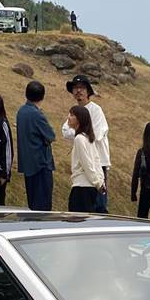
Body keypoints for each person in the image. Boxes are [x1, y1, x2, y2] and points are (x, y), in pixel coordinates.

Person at [61, 74, 110, 211]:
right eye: (75, 88)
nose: (78, 91)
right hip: (83, 169)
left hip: (98, 163)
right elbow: (65, 131)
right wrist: (81, 132)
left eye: (82, 88)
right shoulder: (76, 112)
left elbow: (96, 135)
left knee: (99, 205)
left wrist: (79, 132)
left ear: (88, 91)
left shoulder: (96, 110)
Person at [16, 80, 56, 210]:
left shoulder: (21, 111)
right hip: (40, 164)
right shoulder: (37, 114)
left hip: (28, 164)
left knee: (32, 203)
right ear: (42, 97)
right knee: (43, 206)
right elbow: (50, 135)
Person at [66, 104, 104, 212]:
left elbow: (87, 163)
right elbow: (97, 162)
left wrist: (97, 182)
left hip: (81, 187)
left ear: (80, 119)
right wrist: (100, 182)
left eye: (72, 115)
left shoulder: (79, 138)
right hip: (91, 188)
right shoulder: (88, 139)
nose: (69, 117)